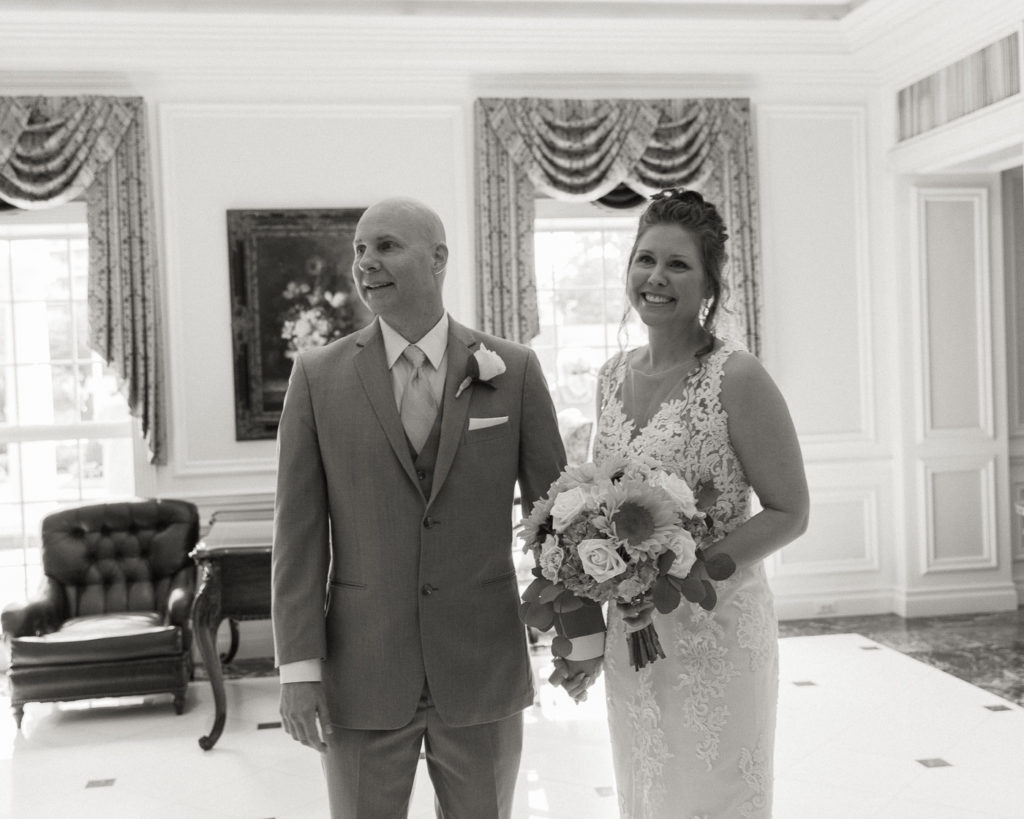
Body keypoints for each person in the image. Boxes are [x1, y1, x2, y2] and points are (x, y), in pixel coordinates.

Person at [270, 196, 603, 818]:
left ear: (439, 257)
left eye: (386, 246)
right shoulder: (317, 377)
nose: (366, 261)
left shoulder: (514, 371)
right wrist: (298, 670)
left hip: (482, 663)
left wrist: (581, 635)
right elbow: (298, 538)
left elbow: (560, 520)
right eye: (359, 250)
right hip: (362, 670)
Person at [563, 188, 809, 818]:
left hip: (716, 629)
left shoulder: (738, 376)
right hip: (636, 630)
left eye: (678, 265)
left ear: (709, 285)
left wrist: (689, 571)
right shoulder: (611, 376)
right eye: (645, 259)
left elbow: (789, 510)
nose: (656, 277)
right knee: (645, 787)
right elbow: (605, 496)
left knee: (712, 795)